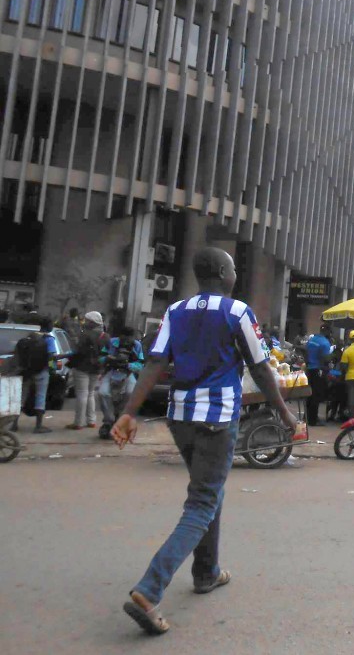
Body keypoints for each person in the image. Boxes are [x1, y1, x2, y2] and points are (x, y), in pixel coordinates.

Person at [111, 247, 305, 636]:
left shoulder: (176, 311)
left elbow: (155, 363)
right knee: (202, 502)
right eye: (233, 267)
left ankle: (207, 572)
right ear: (221, 272)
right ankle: (149, 590)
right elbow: (260, 367)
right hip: (217, 419)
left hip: (180, 418)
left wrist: (128, 412)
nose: (235, 272)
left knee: (207, 492)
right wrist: (286, 415)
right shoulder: (237, 312)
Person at [15, 316, 60, 433]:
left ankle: (14, 424)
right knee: (41, 397)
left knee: (21, 397)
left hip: (27, 371)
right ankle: (38, 426)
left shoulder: (31, 336)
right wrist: (52, 368)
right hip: (42, 371)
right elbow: (51, 356)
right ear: (49, 326)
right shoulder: (49, 339)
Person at [97, 327, 144, 437]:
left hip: (128, 372)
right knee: (103, 393)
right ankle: (109, 421)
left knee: (130, 393)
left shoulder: (137, 345)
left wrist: (128, 365)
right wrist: (108, 359)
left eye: (129, 338)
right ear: (120, 336)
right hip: (112, 371)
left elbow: (141, 365)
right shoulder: (111, 342)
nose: (126, 341)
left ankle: (121, 419)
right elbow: (100, 357)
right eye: (124, 338)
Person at [66, 311, 108, 430]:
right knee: (90, 394)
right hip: (97, 368)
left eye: (86, 320)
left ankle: (78, 422)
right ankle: (91, 420)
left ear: (91, 322)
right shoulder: (105, 336)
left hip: (82, 367)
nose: (85, 322)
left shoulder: (84, 334)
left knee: (81, 394)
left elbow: (78, 351)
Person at [304, 324, 333, 426]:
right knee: (316, 395)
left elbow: (306, 352)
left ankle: (306, 417)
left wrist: (308, 363)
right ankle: (313, 420)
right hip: (318, 370)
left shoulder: (312, 339)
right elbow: (326, 359)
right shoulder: (325, 343)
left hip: (309, 369)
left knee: (309, 394)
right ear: (327, 332)